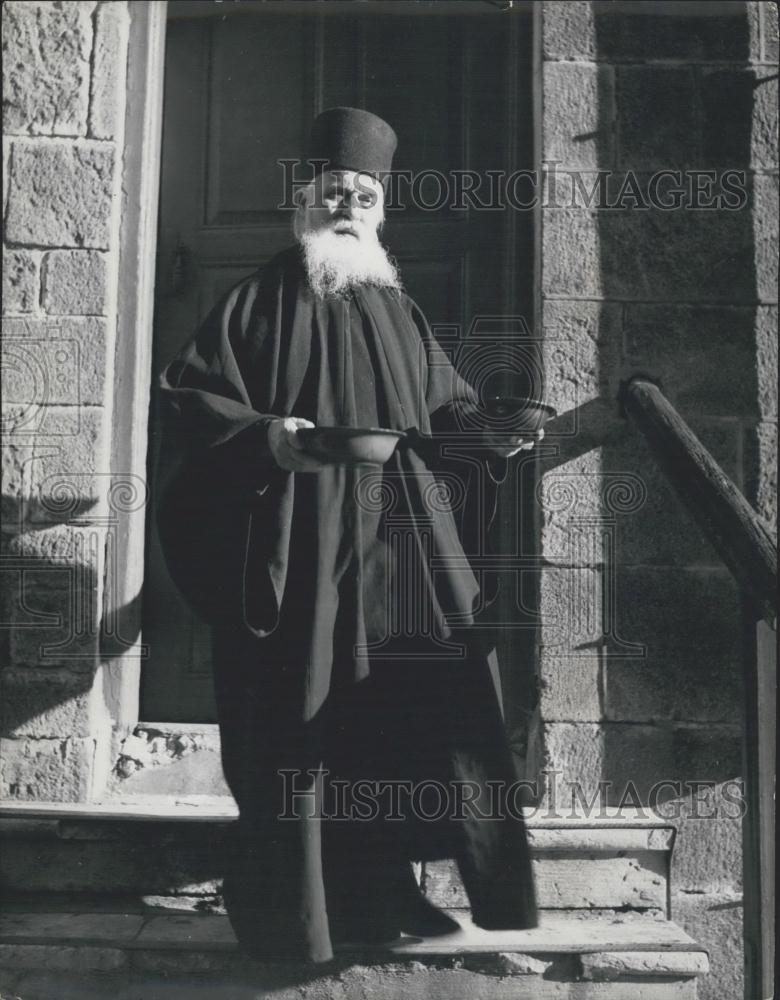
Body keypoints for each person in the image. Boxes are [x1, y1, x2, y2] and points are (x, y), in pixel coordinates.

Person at [156, 107, 539, 963]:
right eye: (333, 192)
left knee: (409, 712)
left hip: (399, 556)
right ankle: (296, 914)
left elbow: (444, 416)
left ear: (380, 211)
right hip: (300, 557)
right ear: (303, 200)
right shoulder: (255, 302)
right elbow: (187, 402)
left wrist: (495, 431)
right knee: (302, 723)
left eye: (363, 197)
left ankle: (389, 889)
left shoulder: (398, 310)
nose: (348, 208)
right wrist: (269, 437)